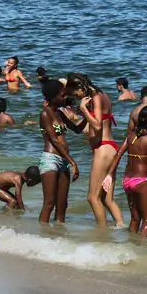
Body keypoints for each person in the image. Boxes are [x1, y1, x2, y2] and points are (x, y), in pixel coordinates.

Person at [68, 74, 125, 227]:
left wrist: (82, 109)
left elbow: (98, 125)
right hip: (109, 147)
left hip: (104, 149)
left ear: (80, 87)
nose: (76, 96)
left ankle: (103, 234)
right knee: (107, 199)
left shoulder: (96, 97)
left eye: (75, 93)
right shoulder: (102, 94)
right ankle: (121, 228)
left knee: (93, 198)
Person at [105, 105, 147, 235]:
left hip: (127, 181)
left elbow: (118, 155)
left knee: (135, 219)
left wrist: (109, 174)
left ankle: (130, 245)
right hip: (141, 182)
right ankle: (140, 250)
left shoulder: (130, 137)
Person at [37, 80, 85, 224]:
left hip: (64, 161)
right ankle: (41, 236)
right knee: (49, 203)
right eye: (62, 95)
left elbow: (77, 129)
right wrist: (73, 162)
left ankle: (58, 237)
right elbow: (54, 140)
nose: (65, 98)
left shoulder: (60, 113)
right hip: (50, 160)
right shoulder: (45, 114)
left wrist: (87, 114)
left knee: (62, 205)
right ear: (53, 97)